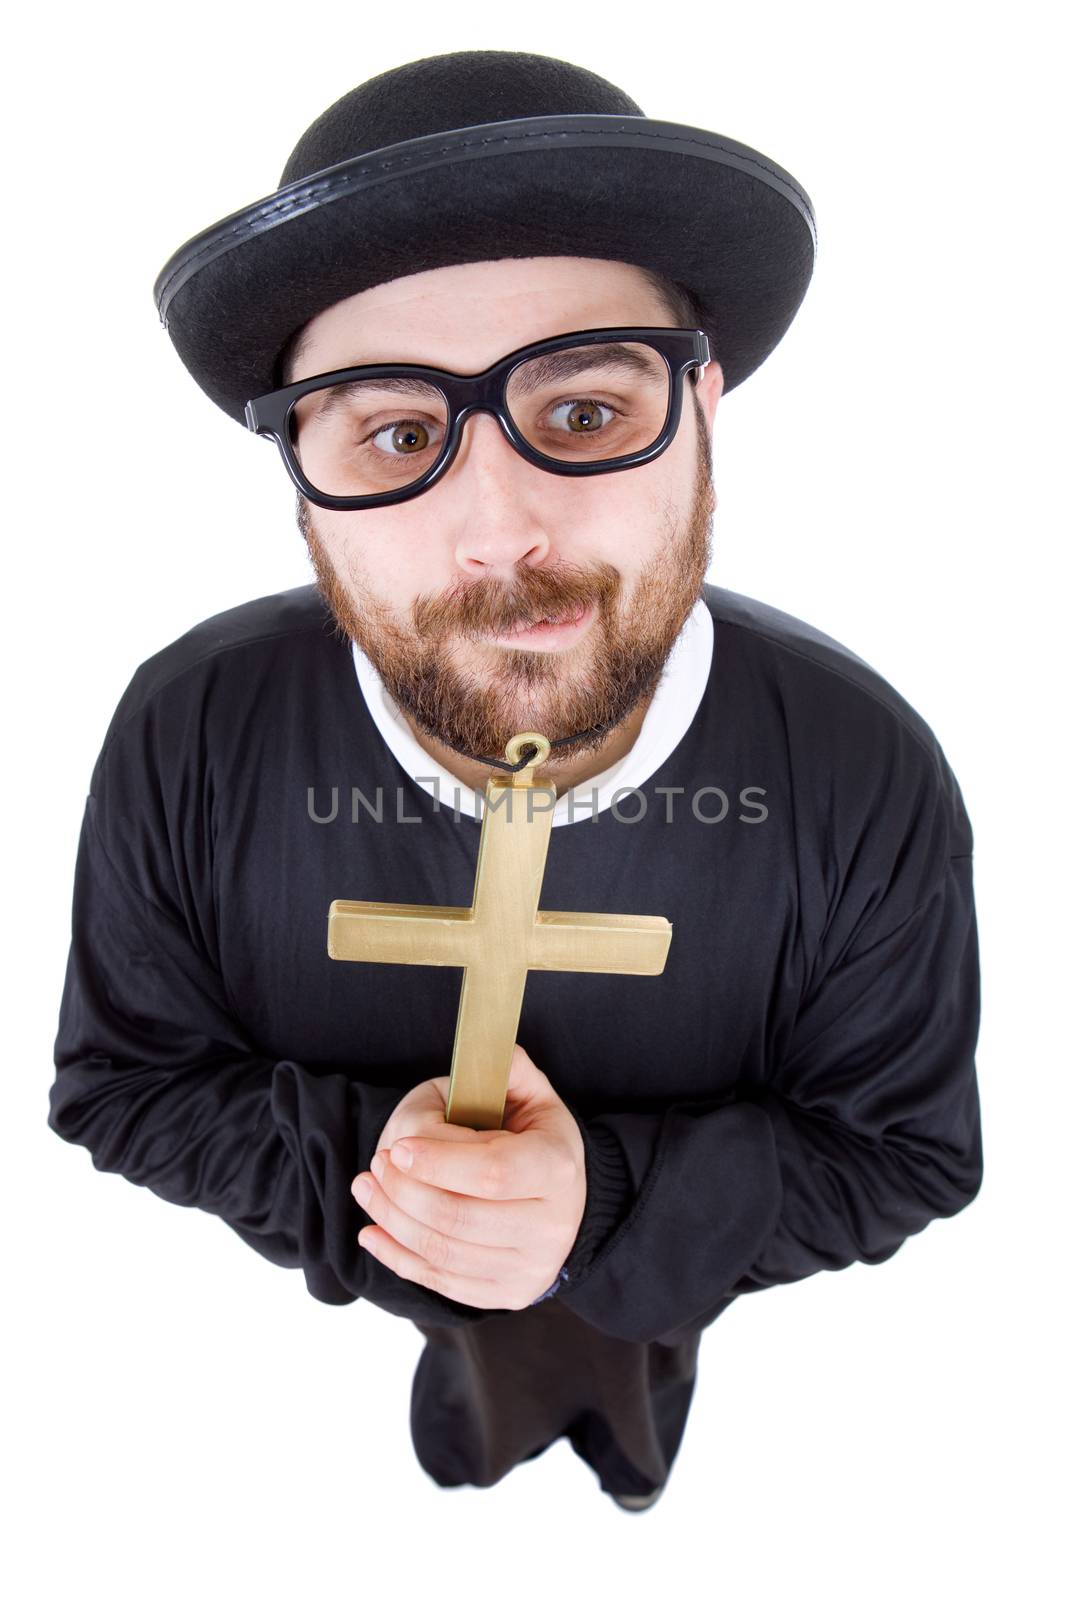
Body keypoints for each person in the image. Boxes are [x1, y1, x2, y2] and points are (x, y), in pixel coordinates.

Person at [48, 49, 983, 1512]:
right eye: (400, 434)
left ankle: (624, 1398)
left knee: (626, 1383)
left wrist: (601, 1209)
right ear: (300, 470)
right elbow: (124, 1086)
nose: (503, 528)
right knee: (468, 1390)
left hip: (708, 1348)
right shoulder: (190, 733)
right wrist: (413, 1202)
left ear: (707, 411)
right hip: (321, 1368)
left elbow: (901, 1155)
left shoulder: (860, 771)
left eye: (586, 413)